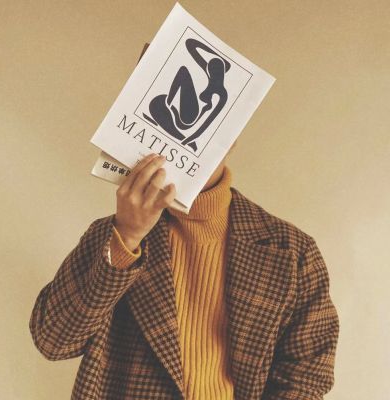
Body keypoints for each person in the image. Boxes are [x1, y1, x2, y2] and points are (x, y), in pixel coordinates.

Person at [29, 45, 339, 400]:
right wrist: (127, 236)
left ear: (231, 134)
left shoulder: (291, 251)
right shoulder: (112, 236)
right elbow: (53, 342)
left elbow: (307, 376)